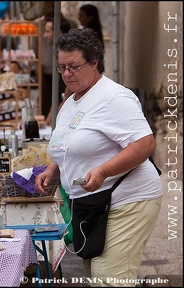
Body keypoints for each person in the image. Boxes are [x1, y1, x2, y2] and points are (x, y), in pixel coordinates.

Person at [35, 28, 162, 285]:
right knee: (95, 275)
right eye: (62, 68)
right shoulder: (71, 102)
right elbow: (67, 143)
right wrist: (53, 168)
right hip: (93, 204)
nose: (67, 74)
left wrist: (104, 170)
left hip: (127, 199)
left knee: (109, 278)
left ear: (94, 62)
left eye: (74, 66)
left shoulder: (114, 97)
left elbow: (145, 143)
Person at [42, 16, 72, 126]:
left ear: (59, 33)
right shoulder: (59, 52)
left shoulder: (68, 53)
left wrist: (63, 102)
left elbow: (71, 77)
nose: (44, 35)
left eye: (47, 32)